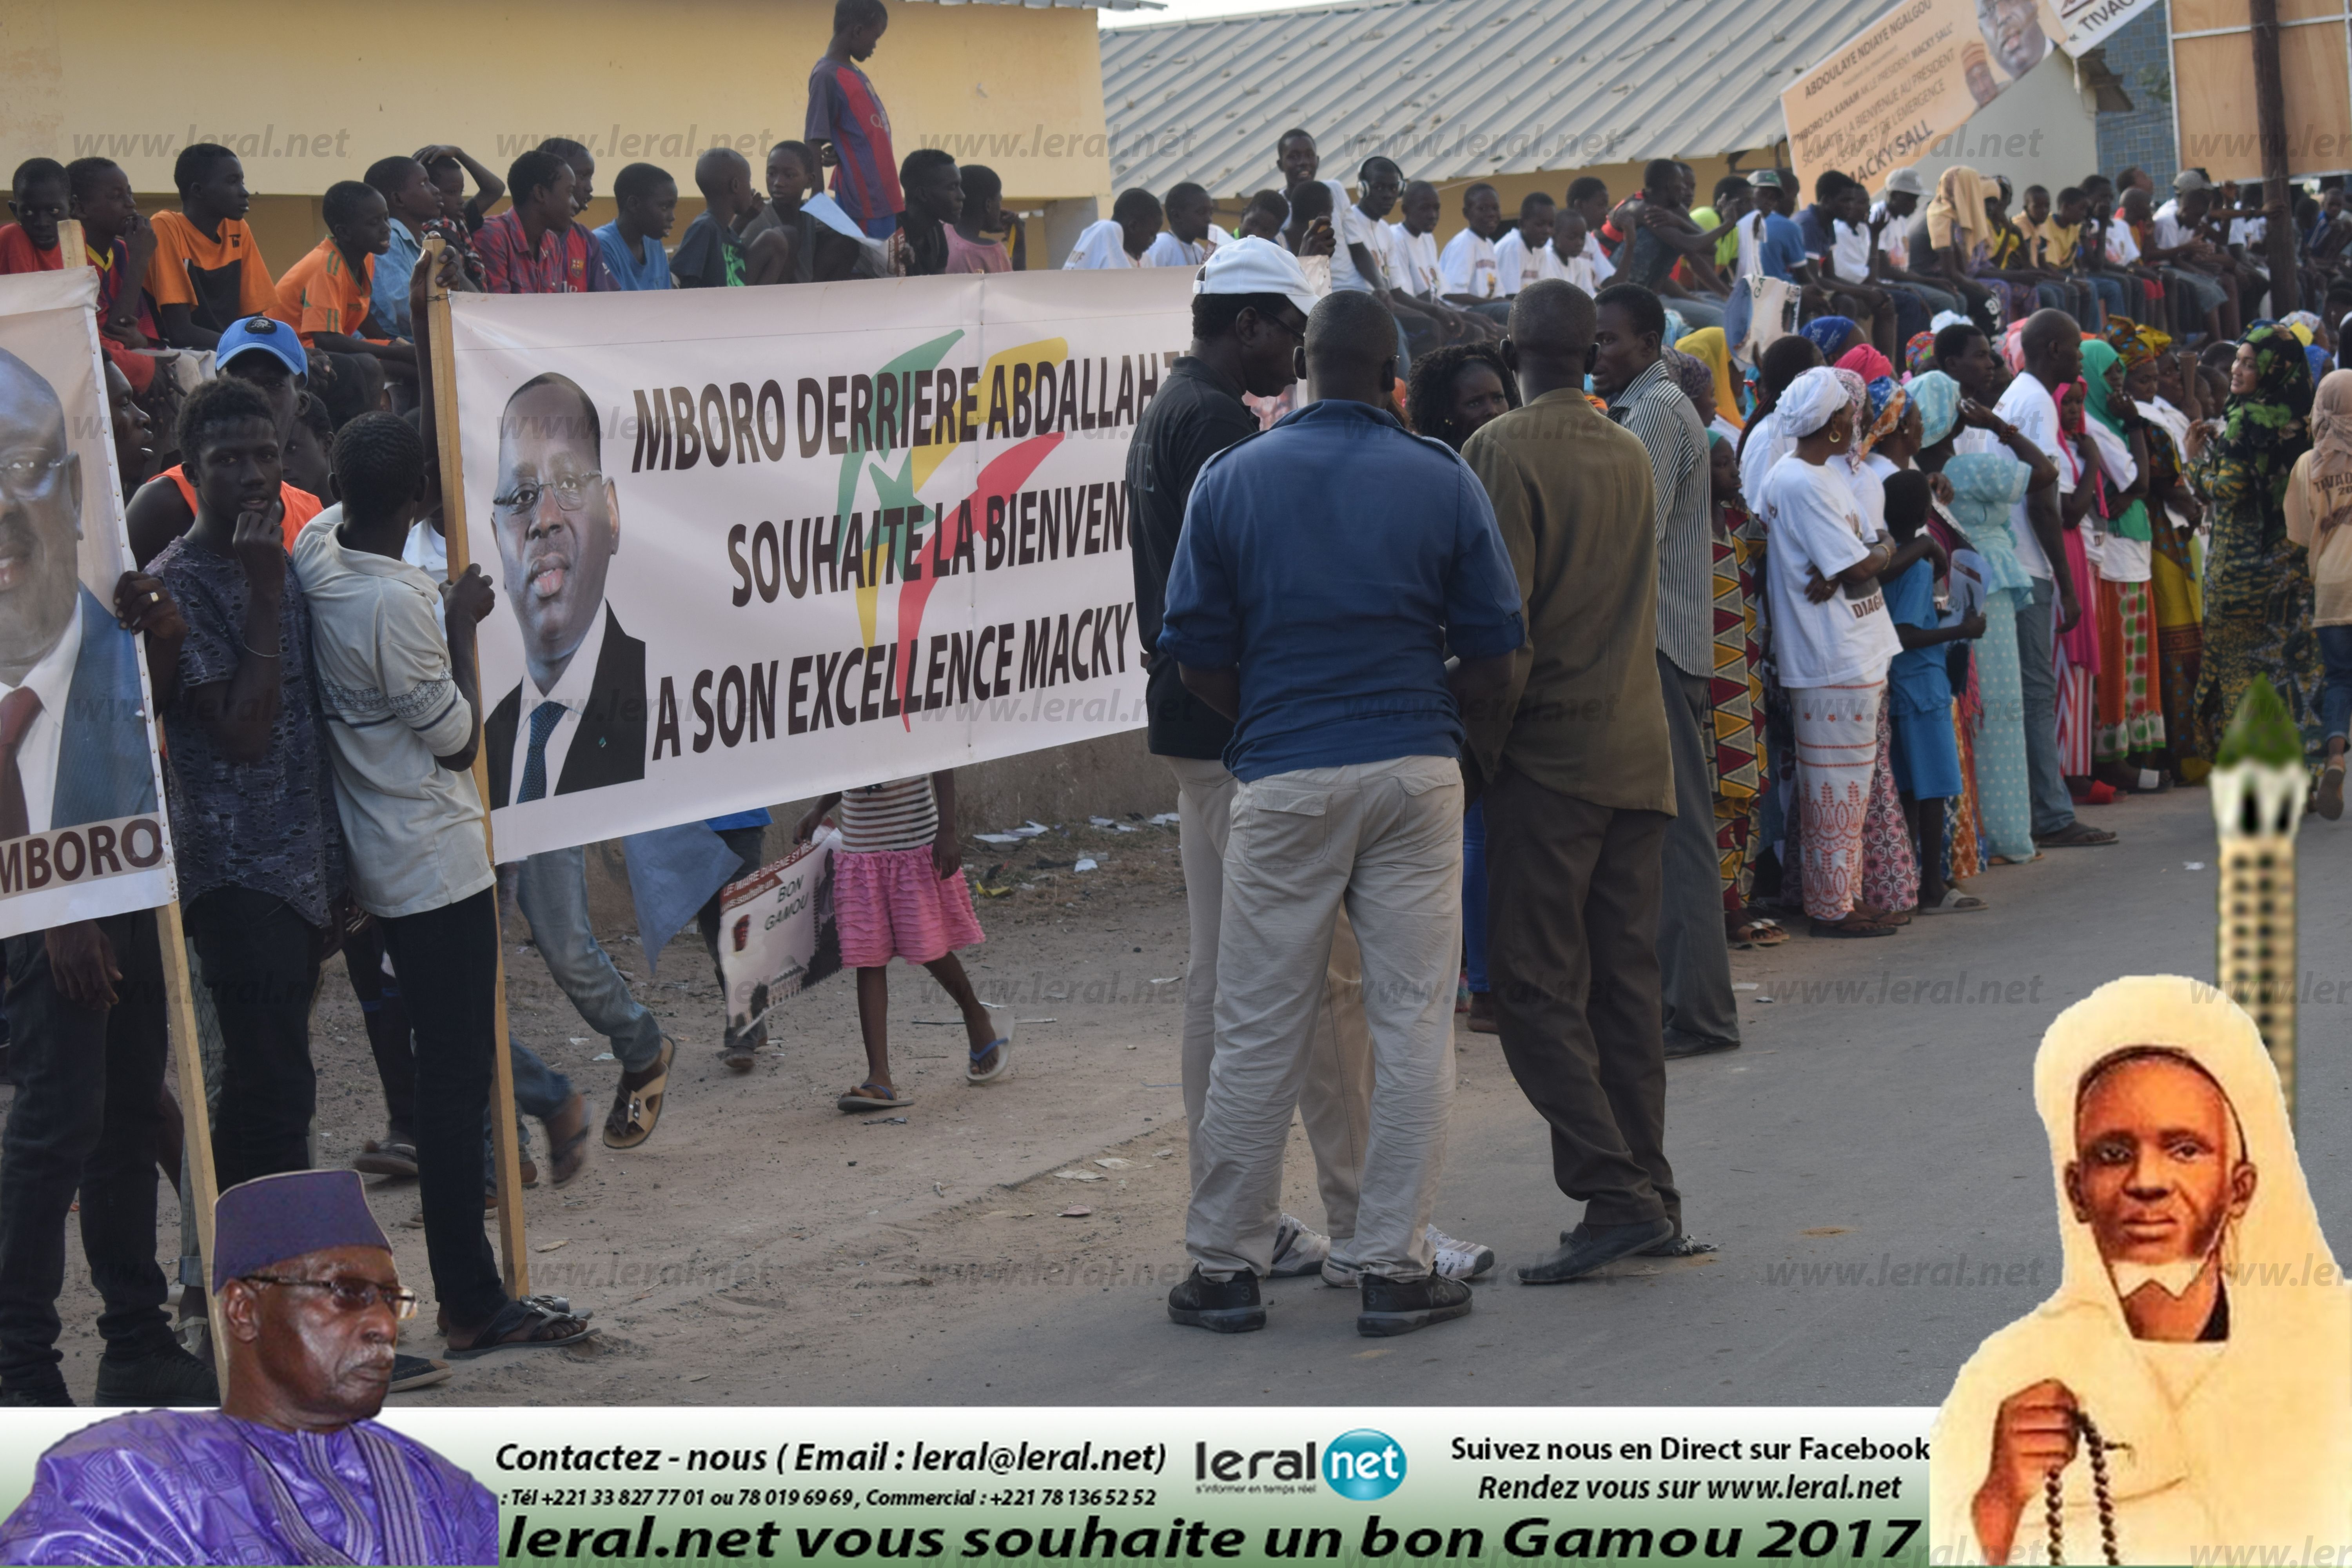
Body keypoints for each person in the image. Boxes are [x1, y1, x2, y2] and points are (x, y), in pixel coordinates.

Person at [1159, 289, 1521, 1337]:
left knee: (1257, 1020)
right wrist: (1420, 712)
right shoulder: (1440, 477)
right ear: (1394, 370)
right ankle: (1390, 1270)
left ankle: (1223, 1268)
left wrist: (1276, 716)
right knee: (1412, 1024)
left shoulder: (1234, 479)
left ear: (1310, 363)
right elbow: (1497, 656)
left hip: (1280, 774)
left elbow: (1197, 656)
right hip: (1414, 771)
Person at [295, 406, 593, 1360]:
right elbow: (461, 739)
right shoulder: (397, 609)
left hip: (385, 857)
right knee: (458, 1085)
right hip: (436, 861)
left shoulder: (315, 551)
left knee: (450, 1075)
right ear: (422, 495)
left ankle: (476, 1291)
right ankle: (471, 1299)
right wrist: (458, 621)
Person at [1929, 976, 2352, 1564]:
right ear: (2077, 1190)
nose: (2147, 1183)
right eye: (2113, 1154)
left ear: (2239, 1186)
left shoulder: (2334, 1342)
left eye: (2184, 1150)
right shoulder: (2012, 1373)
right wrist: (2002, 1496)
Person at [1458, 279, 1691, 1278]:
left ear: (1513, 352)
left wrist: (1480, 749)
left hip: (1549, 759)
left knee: (1535, 982)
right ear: (1585, 351)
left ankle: (1613, 1192)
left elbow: (1498, 635)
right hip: (1638, 752)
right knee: (1625, 987)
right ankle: (1651, 1191)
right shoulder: (1627, 451)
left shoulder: (1499, 451)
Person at [0, 351, 206, 1410]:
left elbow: (126, 731)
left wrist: (156, 644)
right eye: (116, 409)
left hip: (116, 877)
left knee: (127, 1109)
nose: (133, 420)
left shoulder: (92, 586)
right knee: (57, 1122)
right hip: (48, 902)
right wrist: (53, 910)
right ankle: (21, 1365)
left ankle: (134, 1337)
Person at [0, 1169, 501, 1563]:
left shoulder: (442, 1488)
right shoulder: (114, 1484)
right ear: (244, 1310)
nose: (383, 1326)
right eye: (347, 1294)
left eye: (393, 1300)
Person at [149, 378, 345, 1195]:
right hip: (235, 876)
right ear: (192, 472)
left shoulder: (285, 560)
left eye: (266, 454)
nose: (255, 474)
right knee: (268, 1087)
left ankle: (256, 1287)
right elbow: (242, 731)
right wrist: (264, 593)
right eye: (229, 459)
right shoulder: (180, 583)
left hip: (301, 867)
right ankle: (251, 1287)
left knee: (280, 1081)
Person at [1589, 285, 1736, 1056]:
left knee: (1678, 834)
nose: (1598, 355)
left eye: (1609, 342)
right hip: (1667, 639)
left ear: (1647, 343)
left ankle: (1702, 1012)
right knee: (1664, 831)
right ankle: (1685, 1002)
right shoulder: (1650, 407)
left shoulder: (1650, 414)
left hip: (1657, 642)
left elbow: (1628, 533)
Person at [1758, 367, 1904, 936]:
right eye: (1850, 415)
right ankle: (1830, 906)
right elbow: (1859, 563)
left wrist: (1874, 554)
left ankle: (1844, 894)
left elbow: (1871, 548)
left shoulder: (1826, 474)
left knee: (1852, 784)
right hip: (1829, 653)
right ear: (1836, 425)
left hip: (1855, 644)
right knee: (1833, 787)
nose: (1857, 422)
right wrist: (1871, 556)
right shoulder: (1799, 481)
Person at [1405, 342, 1522, 1033]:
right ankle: (1481, 987)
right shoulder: (1442, 470)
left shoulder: (1499, 460)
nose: (1489, 410)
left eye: (1498, 397)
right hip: (1451, 673)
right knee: (1469, 835)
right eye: (1474, 402)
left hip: (1479, 668)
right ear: (1443, 414)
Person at [1978, 312, 2119, 848]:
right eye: (2077, 349)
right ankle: (2051, 814)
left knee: (2029, 692)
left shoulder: (2025, 396)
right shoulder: (2034, 399)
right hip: (2029, 564)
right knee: (2037, 693)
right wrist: (2064, 580)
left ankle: (2040, 809)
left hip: (2020, 560)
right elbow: (2044, 501)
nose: (2082, 358)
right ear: (2056, 348)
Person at [1915, 363, 2058, 866]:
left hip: (1957, 586)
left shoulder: (1922, 473)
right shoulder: (1968, 470)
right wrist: (2002, 428)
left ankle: (1978, 832)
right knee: (2000, 715)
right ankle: (2006, 832)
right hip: (1988, 585)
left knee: (1972, 714)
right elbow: (2045, 472)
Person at [791, 773, 1004, 1111]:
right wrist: (819, 808)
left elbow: (942, 761)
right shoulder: (849, 720)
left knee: (928, 946)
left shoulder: (910, 717)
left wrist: (947, 831)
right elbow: (846, 762)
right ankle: (880, 1077)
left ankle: (974, 1012)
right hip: (861, 851)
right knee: (868, 957)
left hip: (914, 843)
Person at [2190, 324, 2323, 768]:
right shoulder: (2304, 419)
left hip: (2241, 569)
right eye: (2238, 361)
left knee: (2242, 677)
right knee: (2290, 669)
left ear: (2270, 370)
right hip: (2291, 564)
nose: (2237, 370)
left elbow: (2229, 487)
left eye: (2250, 363)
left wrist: (2195, 466)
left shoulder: (2245, 417)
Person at [125, 316, 324, 566]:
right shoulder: (165, 500)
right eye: (240, 382)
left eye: (273, 384)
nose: (254, 394)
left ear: (301, 404)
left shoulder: (311, 511)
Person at [1879, 468, 1985, 914]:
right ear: (1927, 513)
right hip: (1922, 684)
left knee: (1909, 787)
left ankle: (1909, 880)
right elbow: (1905, 632)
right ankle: (1932, 886)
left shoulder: (1894, 558)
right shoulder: (1918, 566)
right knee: (1934, 789)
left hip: (1903, 683)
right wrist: (1960, 628)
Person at [269, 181, 414, 426]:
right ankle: (362, 436)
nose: (386, 229)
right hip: (295, 350)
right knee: (369, 365)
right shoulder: (326, 266)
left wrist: (397, 346)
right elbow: (326, 339)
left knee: (421, 360)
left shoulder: (364, 259)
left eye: (386, 219)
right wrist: (393, 351)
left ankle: (410, 432)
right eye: (374, 223)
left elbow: (360, 313)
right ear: (344, 232)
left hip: (324, 346)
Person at [2286, 368, 2352, 817]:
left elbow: (2302, 533)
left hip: (2331, 585)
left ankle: (2334, 758)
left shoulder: (2307, 464)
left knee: (2340, 679)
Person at [143, 145, 275, 350]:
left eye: (242, 182)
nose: (244, 192)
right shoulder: (165, 226)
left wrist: (289, 350)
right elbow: (181, 333)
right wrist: (251, 347)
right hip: (181, 354)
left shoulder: (237, 228)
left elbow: (252, 321)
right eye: (232, 182)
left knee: (312, 369)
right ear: (198, 190)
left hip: (230, 349)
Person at [807, 0, 901, 240]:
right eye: (876, 37)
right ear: (858, 31)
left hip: (883, 197)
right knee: (868, 272)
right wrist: (818, 202)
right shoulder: (826, 76)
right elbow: (813, 141)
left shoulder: (854, 72)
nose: (875, 46)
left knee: (889, 271)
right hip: (863, 201)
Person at [473, 150, 613, 296]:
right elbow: (496, 311)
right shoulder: (493, 236)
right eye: (570, 193)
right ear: (540, 193)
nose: (575, 204)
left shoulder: (551, 243)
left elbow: (553, 310)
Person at [361, 157, 439, 341]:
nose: (436, 190)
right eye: (424, 184)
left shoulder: (423, 240)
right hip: (392, 346)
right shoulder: (389, 241)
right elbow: (404, 311)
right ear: (398, 199)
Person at [593, 163, 677, 291]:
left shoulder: (654, 244)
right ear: (634, 204)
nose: (672, 217)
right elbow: (613, 308)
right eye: (665, 208)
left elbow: (667, 300)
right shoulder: (601, 245)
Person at [1438, 183, 1508, 321]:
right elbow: (1450, 293)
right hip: (1462, 312)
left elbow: (1498, 295)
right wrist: (1494, 304)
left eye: (1495, 208)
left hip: (1483, 308)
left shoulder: (1489, 244)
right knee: (1511, 312)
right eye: (1482, 209)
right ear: (1467, 213)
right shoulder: (1465, 242)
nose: (1491, 214)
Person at [894, 149, 961, 277]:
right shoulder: (891, 233)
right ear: (922, 194)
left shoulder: (937, 232)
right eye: (952, 188)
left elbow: (939, 289)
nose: (962, 196)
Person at [1063, 189, 1162, 270]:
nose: (1154, 241)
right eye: (1152, 234)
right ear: (1133, 227)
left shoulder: (1146, 260)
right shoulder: (1105, 229)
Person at [950, 164, 1021, 273]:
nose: (1000, 208)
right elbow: (1017, 286)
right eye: (999, 201)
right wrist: (1019, 242)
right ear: (988, 205)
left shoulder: (942, 233)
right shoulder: (994, 252)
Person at [0, 159, 67, 274]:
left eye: (53, 211)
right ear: (15, 211)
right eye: (28, 212)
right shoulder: (13, 236)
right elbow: (24, 291)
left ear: (72, 206)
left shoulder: (74, 238)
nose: (42, 223)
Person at [1142, 182, 1225, 267]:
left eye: (1211, 213)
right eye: (1201, 212)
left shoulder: (1199, 251)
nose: (1209, 219)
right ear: (1177, 216)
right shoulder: (1162, 246)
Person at [1492, 193, 1556, 297]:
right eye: (1540, 224)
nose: (1547, 231)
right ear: (1522, 224)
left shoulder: (1540, 250)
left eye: (1551, 225)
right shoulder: (1513, 247)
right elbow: (1511, 297)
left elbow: (1545, 292)